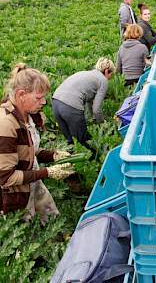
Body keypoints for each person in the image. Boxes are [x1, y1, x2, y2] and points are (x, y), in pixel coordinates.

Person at [0, 63, 74, 221]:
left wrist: (52, 156)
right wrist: (47, 172)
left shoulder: (26, 116)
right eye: (39, 98)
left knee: (49, 220)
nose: (43, 103)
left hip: (31, 184)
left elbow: (27, 151)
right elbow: (6, 178)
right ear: (21, 95)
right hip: (14, 196)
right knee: (29, 233)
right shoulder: (6, 125)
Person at [52, 58, 115, 154]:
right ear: (106, 71)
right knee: (84, 141)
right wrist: (102, 124)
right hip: (71, 106)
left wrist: (92, 118)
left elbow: (90, 102)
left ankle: (72, 163)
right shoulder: (103, 80)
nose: (110, 77)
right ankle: (96, 160)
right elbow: (96, 109)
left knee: (70, 141)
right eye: (111, 74)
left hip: (56, 102)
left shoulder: (86, 74)